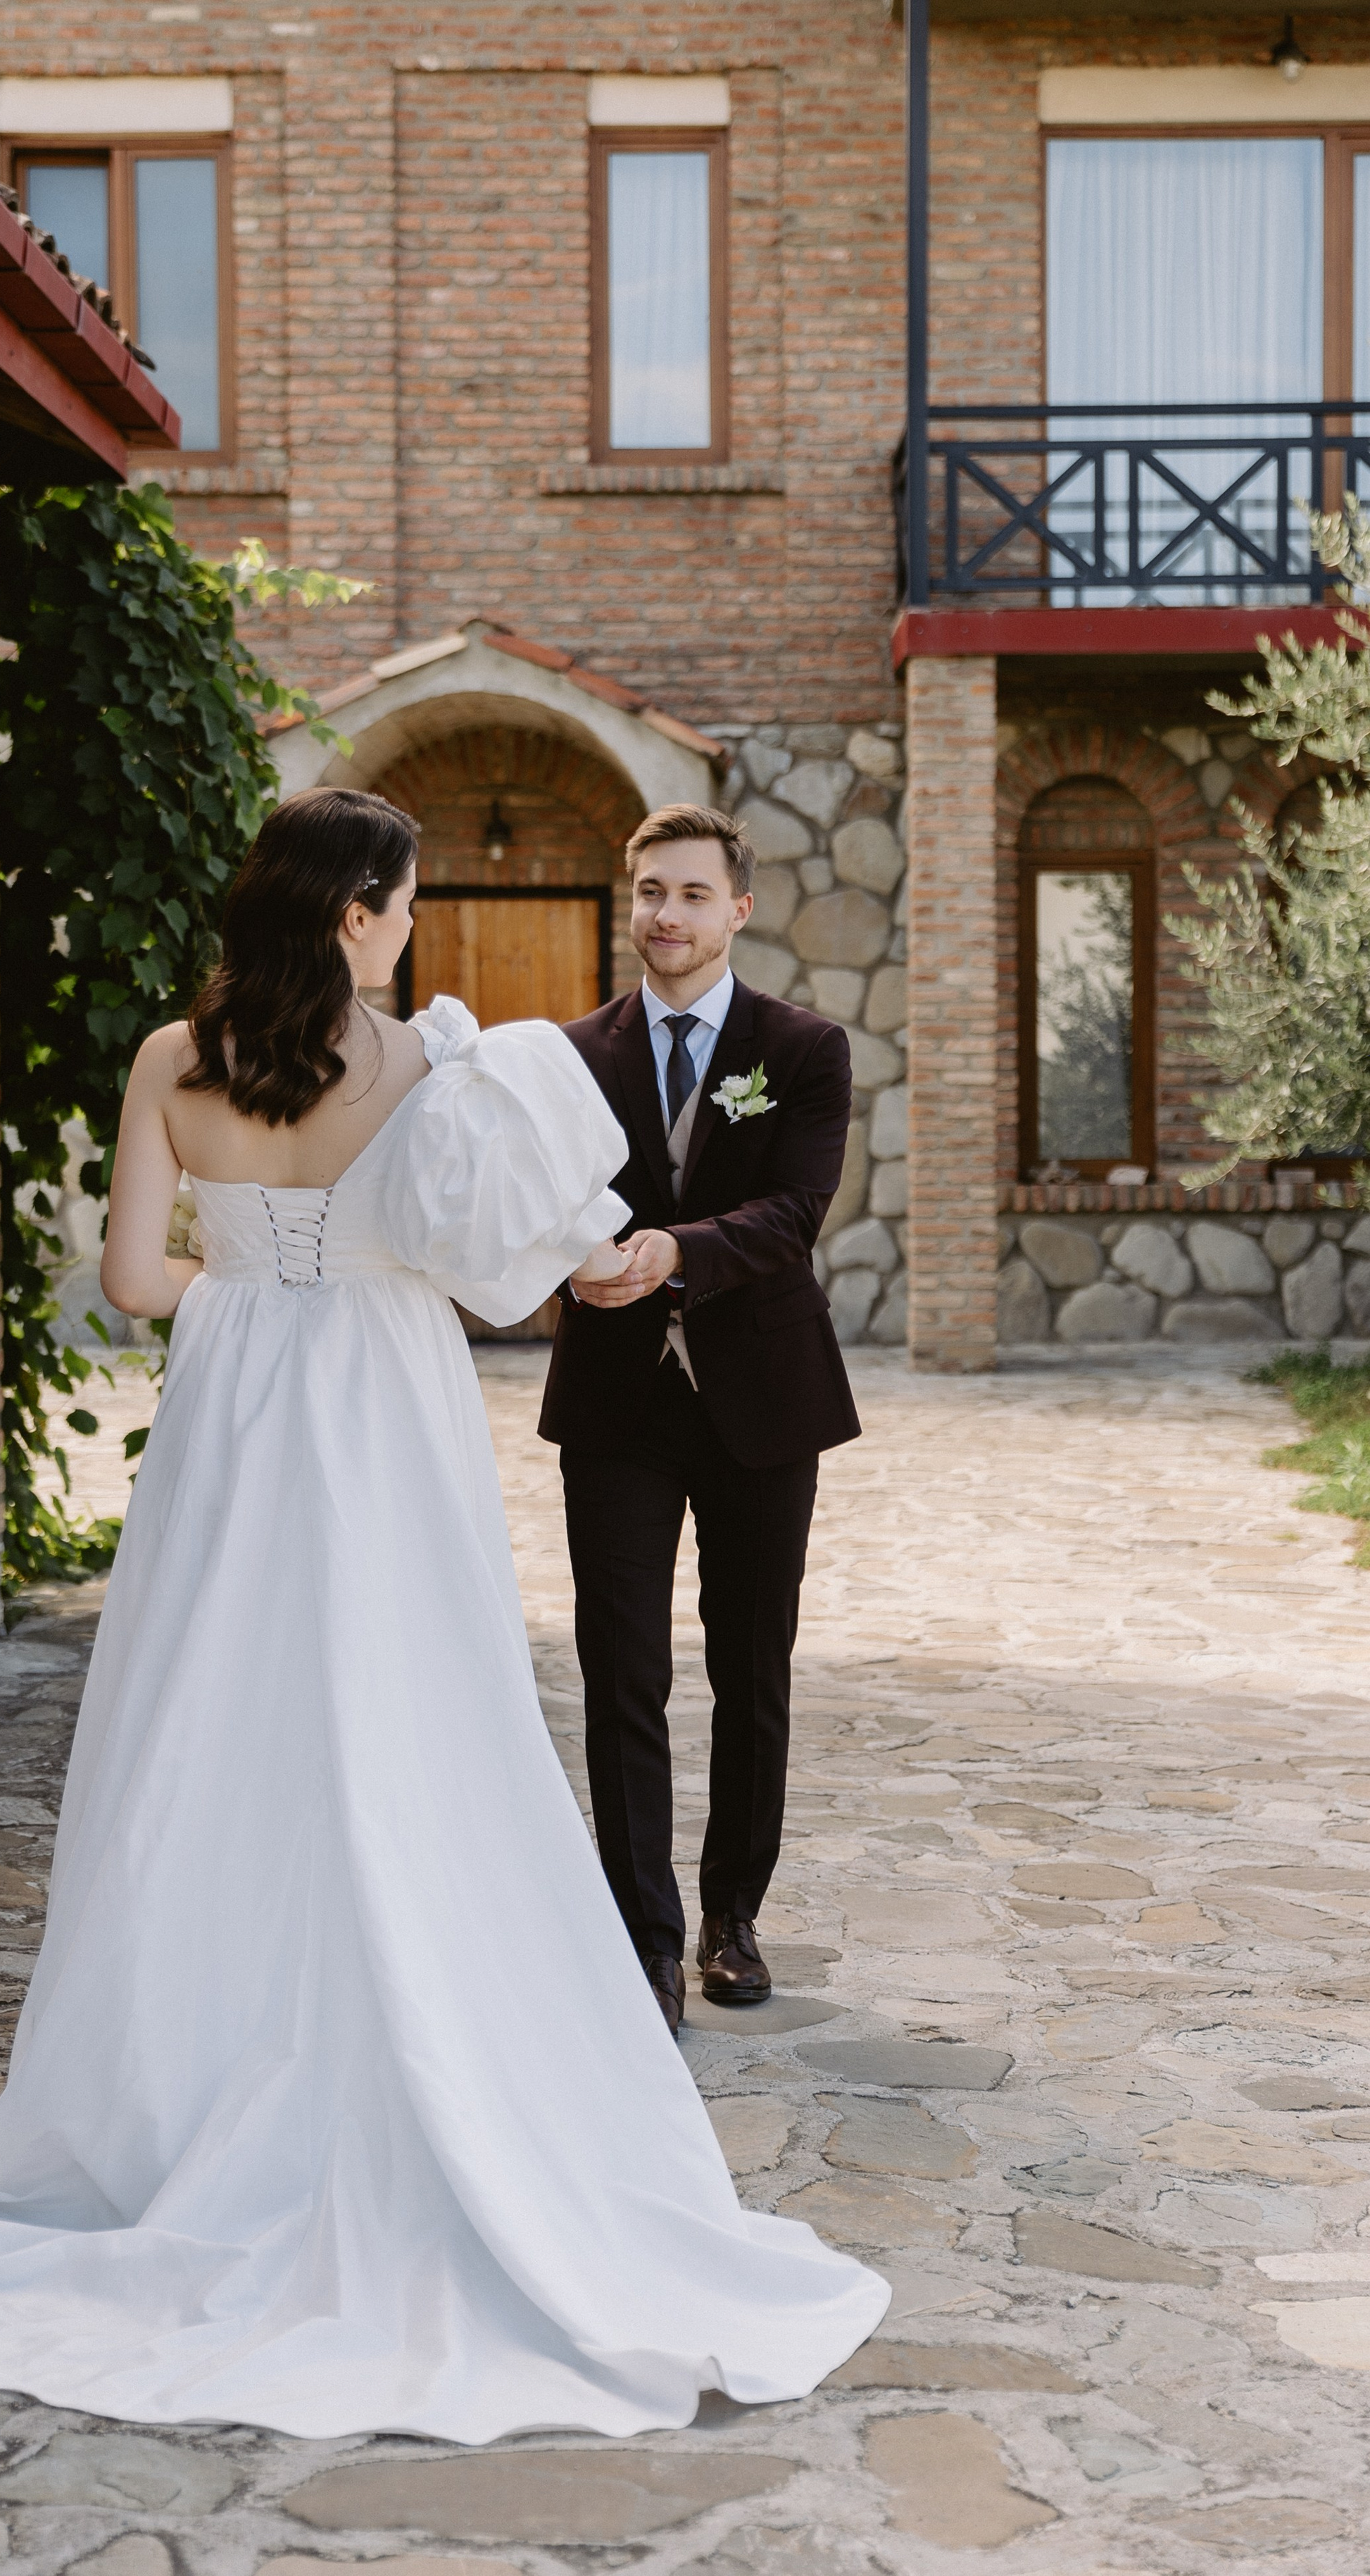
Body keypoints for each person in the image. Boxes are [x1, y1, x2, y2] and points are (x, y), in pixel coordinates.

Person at [0, 786, 886, 2441]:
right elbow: (511, 1267)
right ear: (354, 915)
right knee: (403, 1714)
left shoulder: (165, 1060)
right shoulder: (430, 1064)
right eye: (405, 904)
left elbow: (135, 1282)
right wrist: (417, 1277)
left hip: (231, 1412)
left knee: (208, 1719)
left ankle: (173, 2081)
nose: (414, 929)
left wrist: (254, 1296)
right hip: (379, 1405)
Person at [541, 804, 861, 2037]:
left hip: (763, 1403)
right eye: (647, 894)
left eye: (688, 894)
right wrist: (566, 1260)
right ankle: (643, 1943)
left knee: (750, 1669)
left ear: (737, 907)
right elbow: (548, 1203)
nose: (663, 916)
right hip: (615, 1403)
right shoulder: (572, 1056)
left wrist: (674, 1247)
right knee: (621, 1672)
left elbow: (796, 1213)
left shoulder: (805, 1047)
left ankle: (733, 1917)